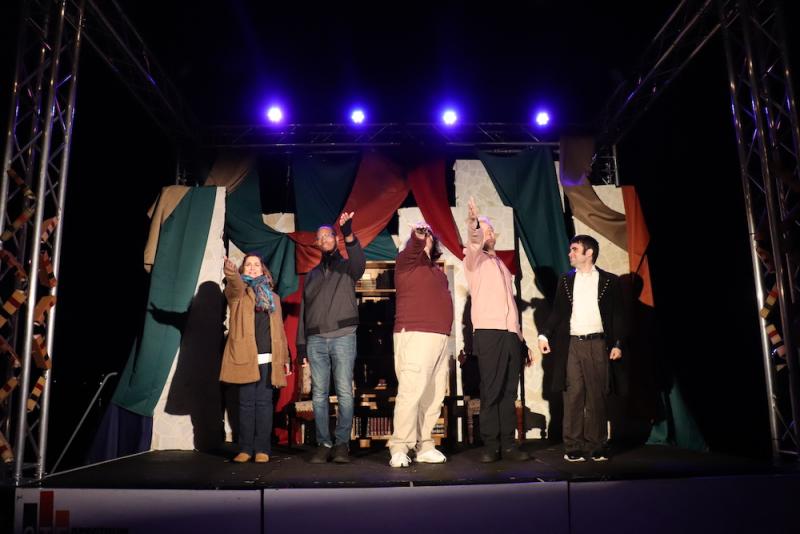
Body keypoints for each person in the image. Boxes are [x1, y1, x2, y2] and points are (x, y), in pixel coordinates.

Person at [538, 235, 625, 462]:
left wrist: (617, 343)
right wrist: (544, 334)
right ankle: (573, 445)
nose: (570, 254)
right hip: (573, 345)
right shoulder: (566, 280)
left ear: (589, 253)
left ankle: (597, 445)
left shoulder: (609, 281)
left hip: (598, 344)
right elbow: (557, 312)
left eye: (574, 250)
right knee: (573, 394)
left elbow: (617, 316)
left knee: (597, 395)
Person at [464, 198, 533, 463]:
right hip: (489, 333)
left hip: (509, 335)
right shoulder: (474, 261)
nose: (488, 234)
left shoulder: (502, 266)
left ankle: (509, 445)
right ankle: (490, 445)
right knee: (491, 390)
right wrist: (474, 222)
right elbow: (472, 241)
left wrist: (520, 339)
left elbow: (511, 305)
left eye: (491, 231)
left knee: (508, 391)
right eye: (485, 230)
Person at [297, 212, 366, 464]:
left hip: (343, 336)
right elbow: (305, 310)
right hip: (315, 340)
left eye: (328, 235)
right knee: (318, 395)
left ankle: (342, 444)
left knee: (345, 392)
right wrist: (301, 345)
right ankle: (324, 443)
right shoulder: (312, 274)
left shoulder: (348, 266)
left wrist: (348, 233)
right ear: (316, 243)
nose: (324, 239)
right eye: (320, 237)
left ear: (335, 239)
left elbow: (360, 264)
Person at [388, 222, 454, 467]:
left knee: (434, 395)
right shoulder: (406, 262)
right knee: (411, 392)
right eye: (421, 235)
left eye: (429, 235)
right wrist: (418, 235)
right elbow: (413, 247)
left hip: (439, 338)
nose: (425, 237)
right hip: (415, 334)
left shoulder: (437, 271)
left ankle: (424, 445)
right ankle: (399, 447)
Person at [220, 253, 289, 463]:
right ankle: (246, 448)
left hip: (269, 357)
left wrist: (284, 357)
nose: (252, 268)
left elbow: (280, 331)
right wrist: (231, 270)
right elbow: (234, 283)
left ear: (263, 270)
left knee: (265, 404)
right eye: (248, 265)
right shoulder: (238, 293)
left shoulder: (273, 298)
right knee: (246, 404)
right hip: (245, 356)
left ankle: (263, 449)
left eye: (256, 265)